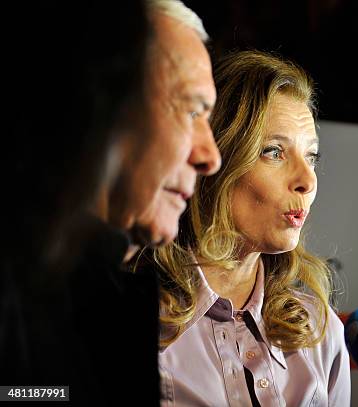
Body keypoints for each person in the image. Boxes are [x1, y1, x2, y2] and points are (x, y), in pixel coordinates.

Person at [1, 1, 221, 405]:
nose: (211, 157)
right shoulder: (16, 305)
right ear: (106, 105)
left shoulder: (102, 299)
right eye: (192, 111)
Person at [152, 50, 351, 406]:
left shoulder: (320, 329)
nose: (308, 180)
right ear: (214, 158)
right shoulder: (122, 315)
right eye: (274, 152)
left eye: (312, 156)